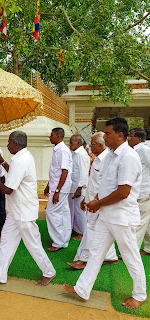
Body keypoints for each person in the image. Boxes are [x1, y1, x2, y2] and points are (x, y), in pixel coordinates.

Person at [63, 118, 147, 310]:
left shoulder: (128, 157)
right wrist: (97, 204)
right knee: (95, 253)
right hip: (107, 216)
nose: (104, 137)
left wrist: (98, 203)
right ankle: (82, 289)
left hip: (122, 217)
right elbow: (106, 184)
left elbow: (123, 191)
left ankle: (140, 294)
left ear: (120, 135)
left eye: (108, 133)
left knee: (130, 256)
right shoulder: (110, 155)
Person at [0, 131, 56, 285]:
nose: (7, 145)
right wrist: (2, 162)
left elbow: (9, 189)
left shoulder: (21, 160)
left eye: (9, 142)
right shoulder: (22, 157)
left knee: (33, 243)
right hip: (16, 211)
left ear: (16, 144)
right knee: (6, 243)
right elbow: (15, 174)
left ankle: (49, 272)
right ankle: (0, 275)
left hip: (23, 212)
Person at [67, 132, 118, 269]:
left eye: (92, 143)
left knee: (91, 228)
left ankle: (84, 258)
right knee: (99, 229)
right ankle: (110, 256)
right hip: (92, 200)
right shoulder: (97, 159)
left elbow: (105, 185)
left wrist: (97, 201)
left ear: (100, 145)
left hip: (100, 202)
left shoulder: (107, 159)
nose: (89, 146)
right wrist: (85, 198)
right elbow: (92, 182)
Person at [44, 128, 73, 252]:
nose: (50, 137)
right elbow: (55, 171)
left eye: (51, 135)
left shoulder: (62, 151)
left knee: (52, 213)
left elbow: (64, 171)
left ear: (58, 136)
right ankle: (63, 240)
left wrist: (57, 191)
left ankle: (58, 241)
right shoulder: (58, 149)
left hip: (60, 189)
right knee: (63, 213)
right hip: (58, 187)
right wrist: (48, 185)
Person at [128, 128, 150, 256]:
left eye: (131, 136)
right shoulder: (133, 151)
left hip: (144, 192)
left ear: (139, 139)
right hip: (137, 192)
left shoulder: (145, 150)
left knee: (139, 221)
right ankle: (148, 248)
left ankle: (131, 252)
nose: (128, 139)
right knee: (146, 223)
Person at [68, 134, 90, 241]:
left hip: (79, 187)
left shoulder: (81, 154)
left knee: (79, 210)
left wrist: (79, 188)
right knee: (73, 209)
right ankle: (75, 229)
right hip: (73, 186)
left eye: (71, 142)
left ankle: (83, 233)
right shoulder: (75, 154)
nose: (69, 144)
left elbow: (83, 173)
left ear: (78, 143)